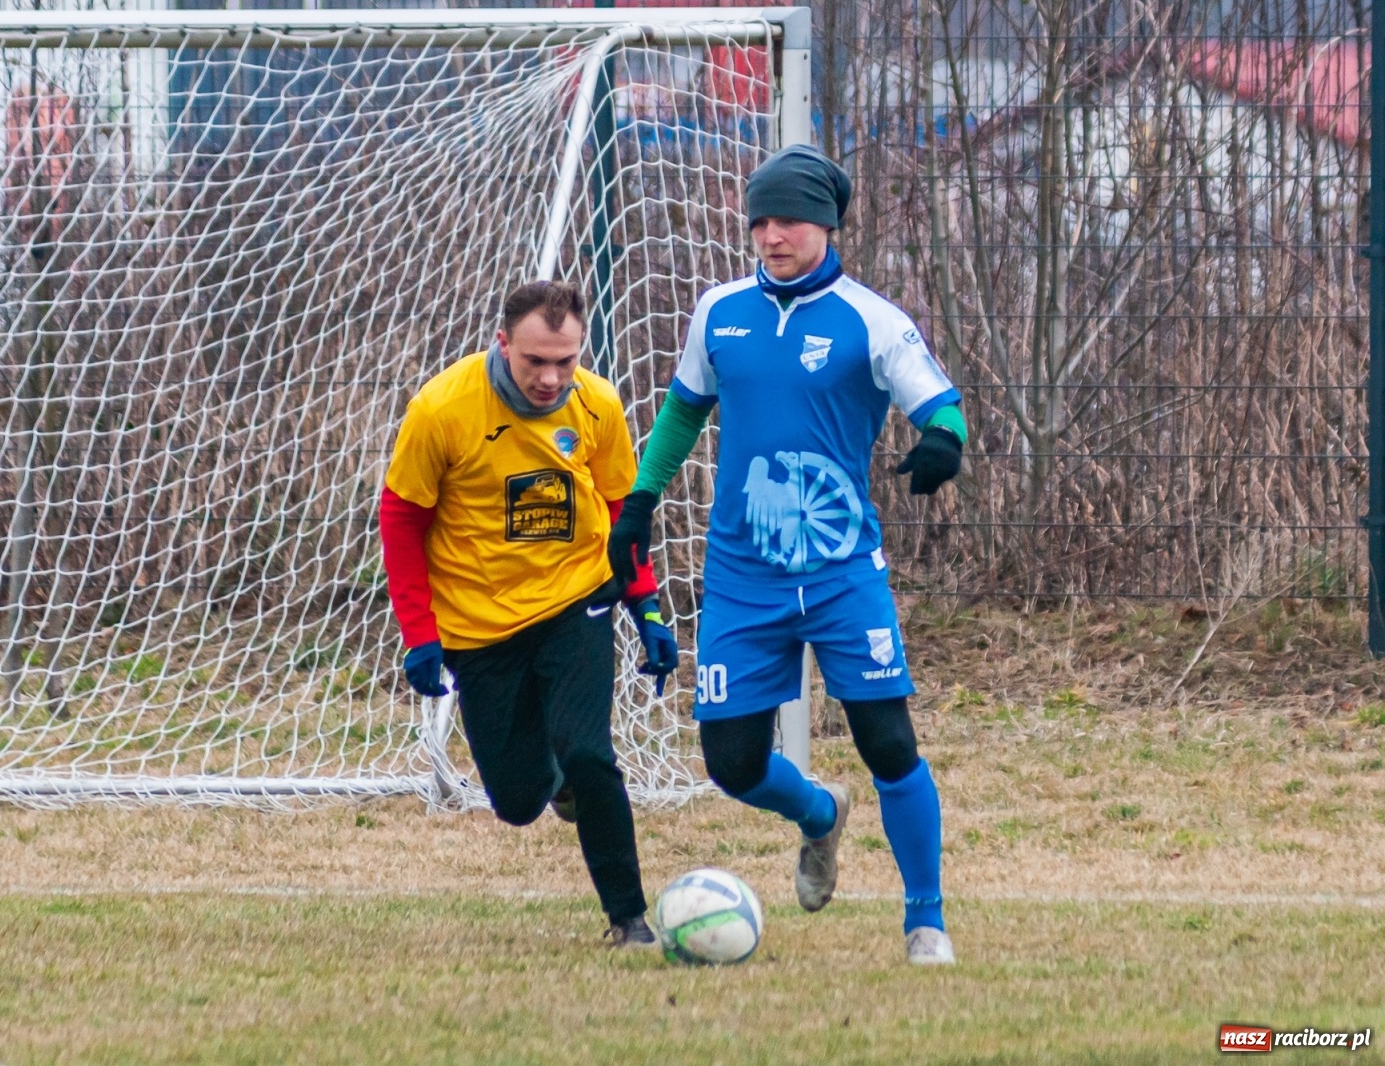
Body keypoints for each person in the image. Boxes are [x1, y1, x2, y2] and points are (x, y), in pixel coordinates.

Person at [607, 144, 966, 965]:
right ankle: (819, 815)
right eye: (760, 220)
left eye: (788, 220)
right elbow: (681, 413)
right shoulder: (719, 312)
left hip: (842, 573)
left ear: (827, 225)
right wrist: (639, 500)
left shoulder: (872, 319)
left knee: (888, 743)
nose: (771, 235)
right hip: (741, 575)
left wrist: (944, 443)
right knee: (730, 764)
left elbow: (941, 407)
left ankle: (926, 923)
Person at [380, 280, 680, 948]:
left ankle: (629, 919)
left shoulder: (598, 405)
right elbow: (401, 520)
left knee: (591, 754)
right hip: (478, 625)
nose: (551, 378)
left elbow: (618, 513)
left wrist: (648, 608)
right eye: (535, 361)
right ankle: (555, 780)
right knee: (516, 801)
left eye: (565, 361)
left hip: (577, 600)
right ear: (503, 343)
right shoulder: (442, 409)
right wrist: (420, 637)